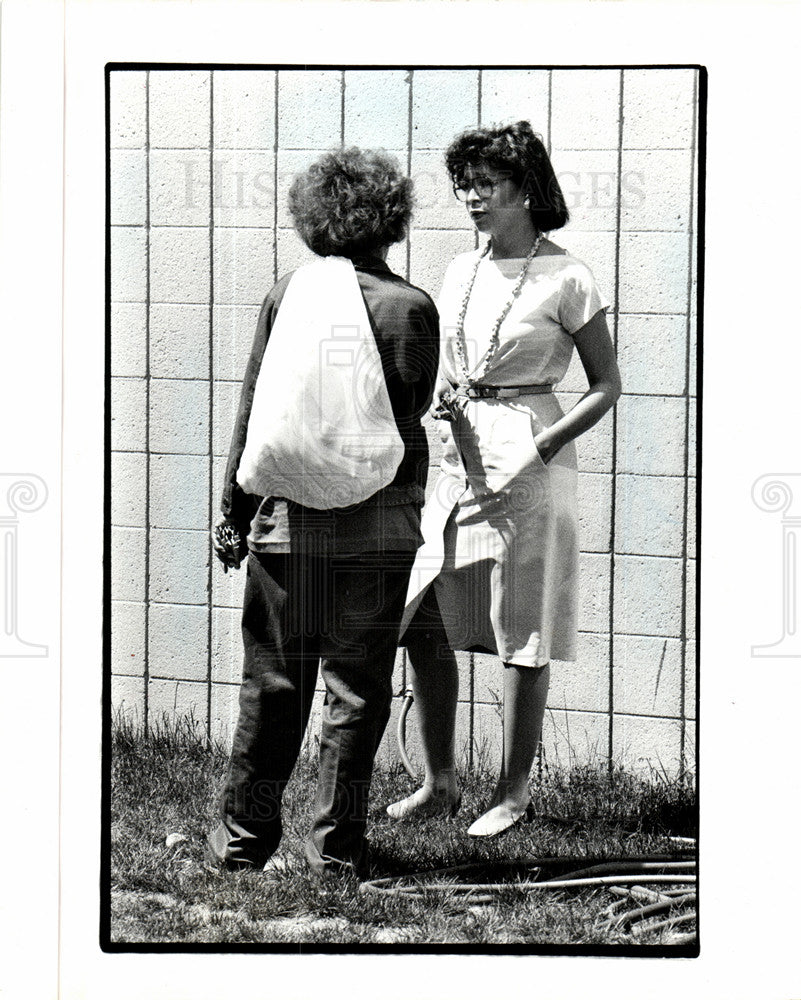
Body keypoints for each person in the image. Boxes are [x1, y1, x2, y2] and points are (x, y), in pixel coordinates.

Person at [206, 148, 439, 877]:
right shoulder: (412, 308)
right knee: (356, 686)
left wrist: (233, 512)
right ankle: (336, 849)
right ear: (390, 221)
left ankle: (243, 842)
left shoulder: (287, 294)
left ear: (313, 219)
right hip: (380, 527)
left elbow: (257, 410)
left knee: (275, 682)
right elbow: (411, 410)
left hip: (288, 525)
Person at [387, 121, 622, 838]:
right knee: (422, 613)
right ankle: (439, 782)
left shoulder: (568, 274)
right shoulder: (460, 269)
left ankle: (513, 792)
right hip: (457, 451)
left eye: (485, 184)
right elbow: (459, 361)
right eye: (463, 184)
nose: (470, 197)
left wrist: (541, 447)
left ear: (526, 190)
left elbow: (606, 385)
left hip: (528, 454)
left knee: (520, 625)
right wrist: (449, 393)